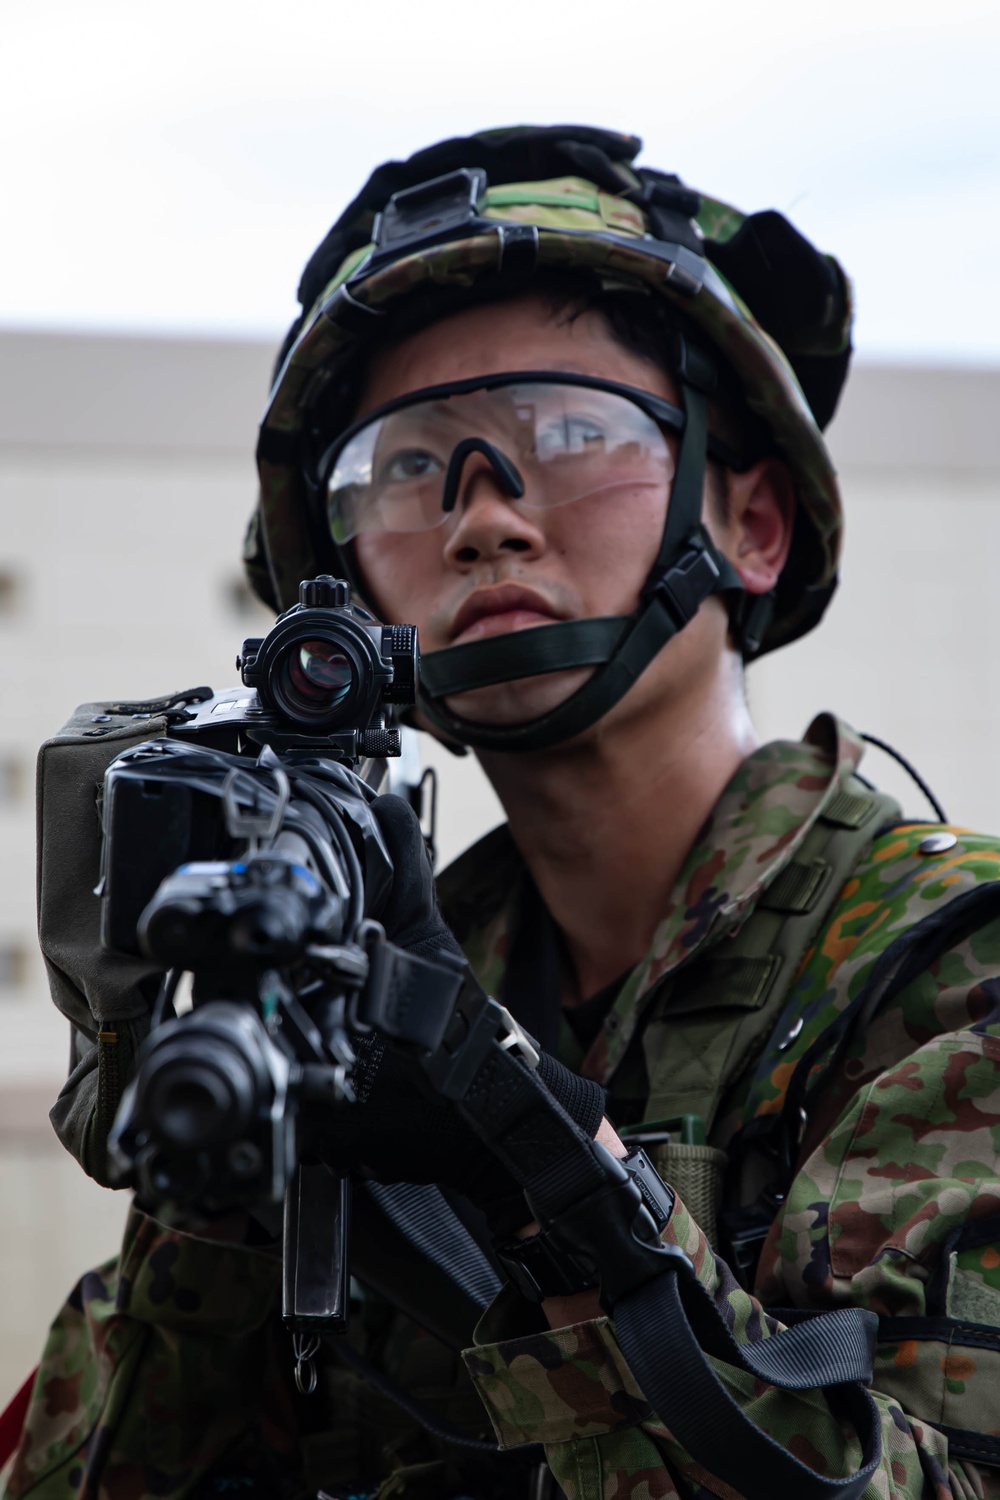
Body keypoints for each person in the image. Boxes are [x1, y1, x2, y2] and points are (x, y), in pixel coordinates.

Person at [8, 125, 1000, 1500]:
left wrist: (546, 1163)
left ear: (753, 523)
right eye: (409, 464)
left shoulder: (952, 971)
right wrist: (222, 1160)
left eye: (569, 432)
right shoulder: (370, 971)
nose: (484, 518)